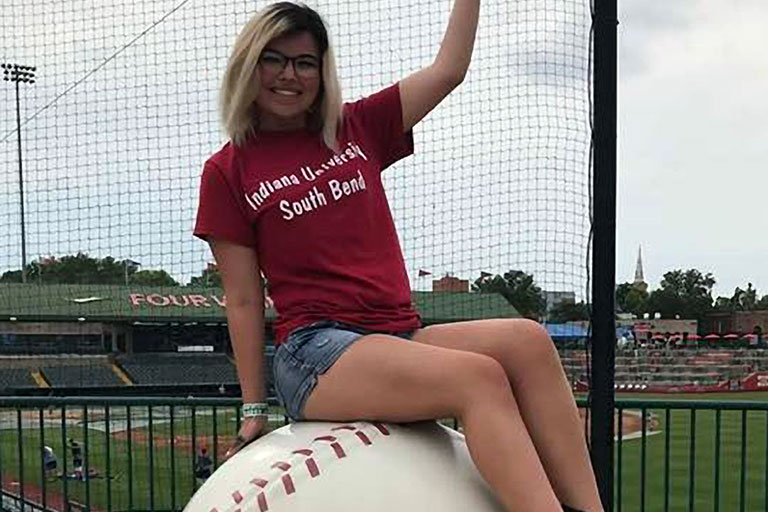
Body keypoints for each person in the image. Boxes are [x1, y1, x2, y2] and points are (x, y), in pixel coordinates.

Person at [193, 2, 603, 511]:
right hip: (315, 352)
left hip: (395, 335)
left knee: (529, 341)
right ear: (249, 65)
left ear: (322, 72)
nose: (289, 75)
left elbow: (448, 70)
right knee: (478, 378)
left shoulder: (354, 127)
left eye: (305, 62)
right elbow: (243, 299)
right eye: (273, 59)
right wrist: (254, 407)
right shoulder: (227, 170)